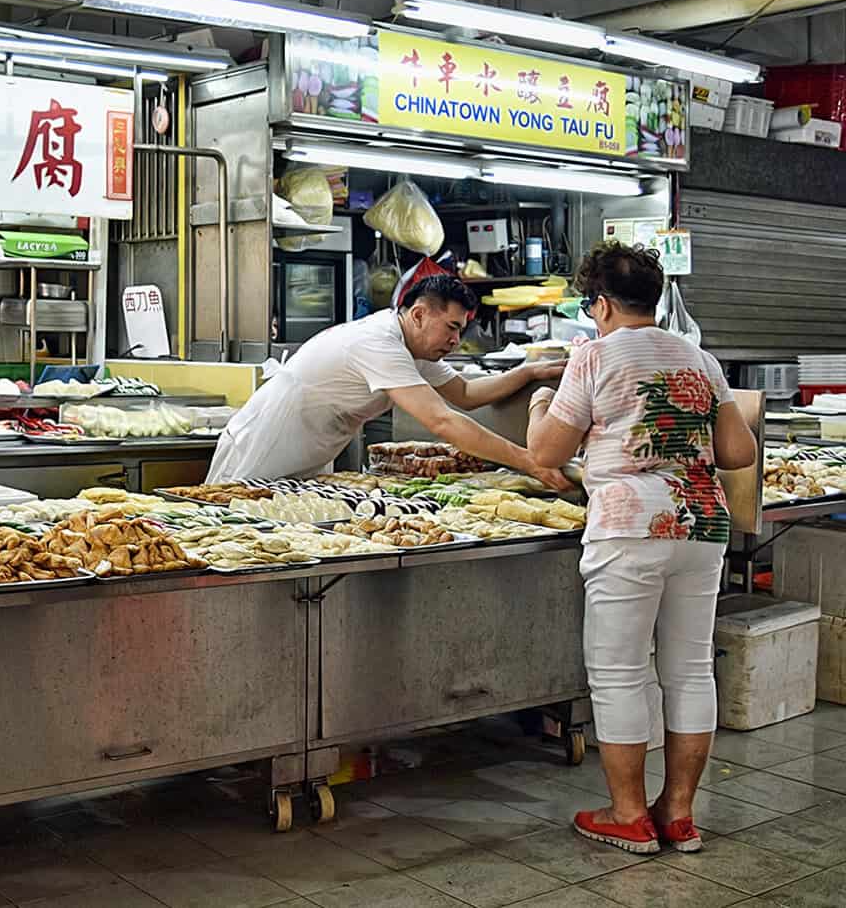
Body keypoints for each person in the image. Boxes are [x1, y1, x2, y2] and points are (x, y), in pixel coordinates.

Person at [526, 242, 756, 856]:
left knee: (620, 673)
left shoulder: (594, 355)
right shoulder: (699, 359)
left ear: (599, 303)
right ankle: (678, 816)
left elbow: (547, 452)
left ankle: (628, 814)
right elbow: (738, 453)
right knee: (688, 670)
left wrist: (540, 400)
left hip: (629, 527)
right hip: (703, 525)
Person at [207, 274, 571, 489]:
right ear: (418, 314)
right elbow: (441, 420)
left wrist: (528, 371)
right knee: (236, 534)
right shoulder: (379, 343)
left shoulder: (414, 347)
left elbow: (466, 394)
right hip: (267, 442)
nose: (456, 341)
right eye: (452, 328)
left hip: (307, 451)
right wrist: (529, 462)